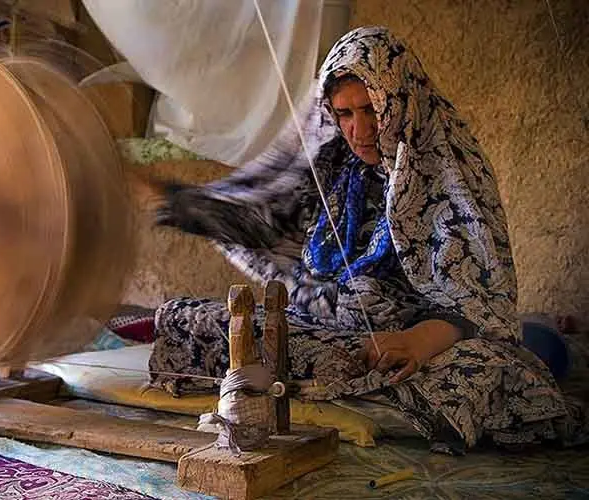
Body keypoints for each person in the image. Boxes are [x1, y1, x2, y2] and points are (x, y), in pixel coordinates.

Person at [141, 26, 587, 454]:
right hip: (325, 330)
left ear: (399, 99)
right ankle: (337, 393)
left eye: (372, 109)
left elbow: (480, 304)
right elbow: (263, 217)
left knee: (489, 373)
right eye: (345, 113)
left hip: (417, 344)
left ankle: (324, 392)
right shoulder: (332, 162)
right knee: (185, 318)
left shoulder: (449, 172)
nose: (359, 129)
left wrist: (417, 341)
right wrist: (176, 200)